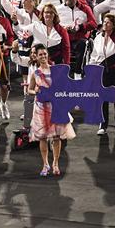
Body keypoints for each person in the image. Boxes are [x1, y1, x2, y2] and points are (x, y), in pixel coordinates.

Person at [27, 43, 76, 176]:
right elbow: (29, 90)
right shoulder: (35, 73)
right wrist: (35, 91)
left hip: (55, 107)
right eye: (40, 54)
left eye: (44, 54)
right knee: (42, 138)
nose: (43, 56)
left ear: (47, 55)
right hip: (41, 108)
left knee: (56, 137)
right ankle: (45, 164)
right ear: (36, 57)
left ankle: (55, 163)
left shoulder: (55, 70)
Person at [88, 15, 115, 135]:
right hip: (102, 69)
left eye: (108, 22)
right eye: (104, 22)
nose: (105, 24)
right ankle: (103, 124)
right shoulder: (98, 37)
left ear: (114, 25)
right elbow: (94, 55)